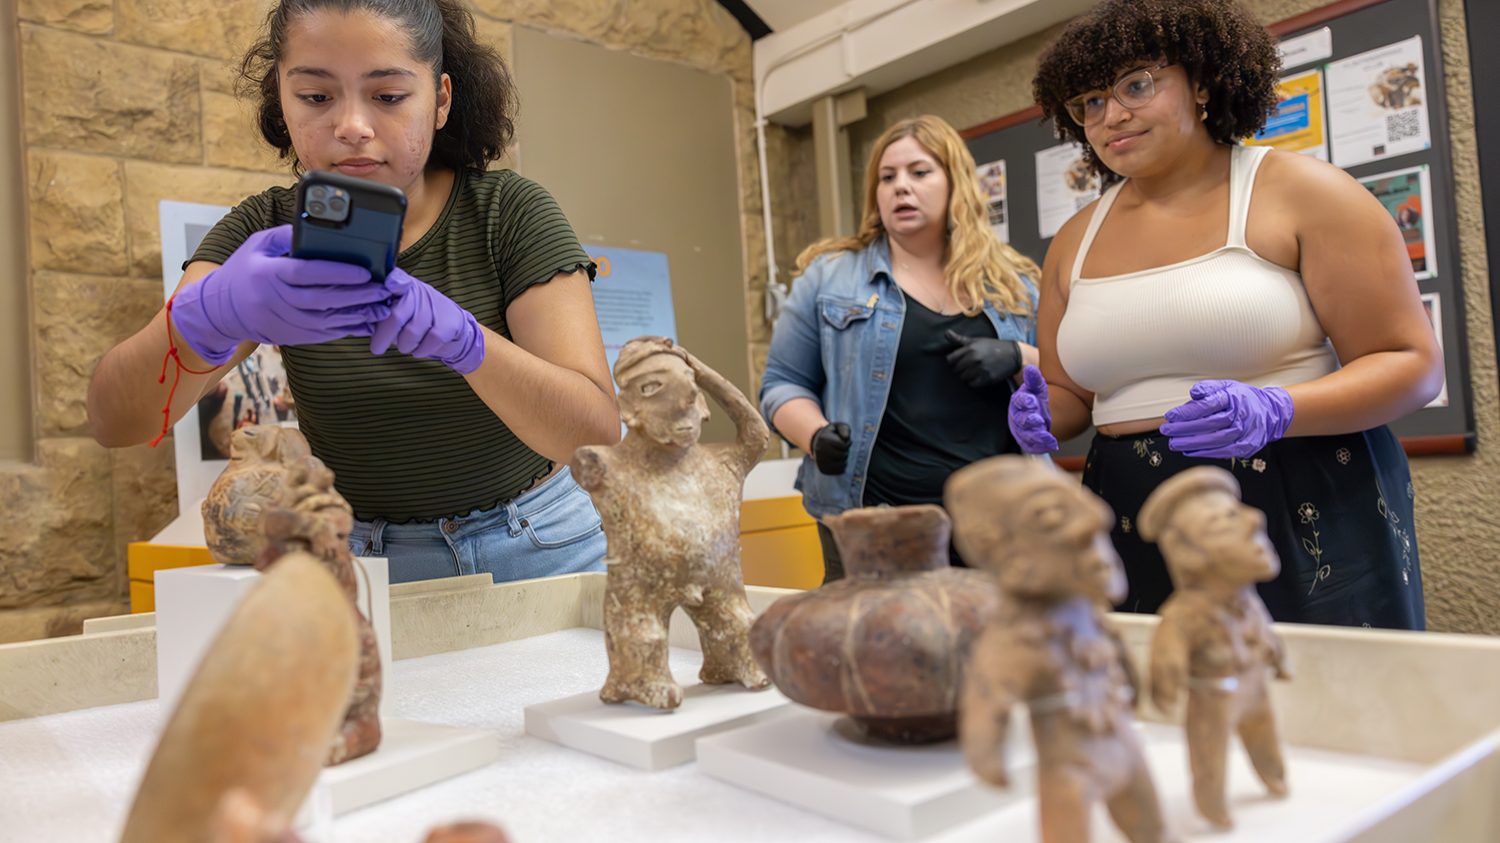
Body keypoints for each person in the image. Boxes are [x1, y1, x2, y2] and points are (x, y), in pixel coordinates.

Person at [86, 0, 619, 585]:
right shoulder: (259, 231)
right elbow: (116, 424)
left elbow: (596, 437)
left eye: (388, 96)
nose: (352, 126)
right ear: (283, 101)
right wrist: (203, 318)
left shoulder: (509, 213)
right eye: (316, 97)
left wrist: (469, 344)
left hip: (538, 547)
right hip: (360, 560)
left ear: (440, 100)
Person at [1011, 0, 1443, 628]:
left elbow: (1410, 363)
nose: (1112, 116)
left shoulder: (1304, 192)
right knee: (1158, 706)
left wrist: (1279, 409)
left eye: (1136, 85)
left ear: (1205, 83)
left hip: (1297, 494)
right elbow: (1071, 393)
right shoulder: (1074, 240)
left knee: (1321, 705)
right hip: (1131, 506)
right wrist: (1039, 413)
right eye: (1090, 103)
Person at [759, 115, 1042, 582]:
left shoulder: (1013, 283)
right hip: (872, 524)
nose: (900, 188)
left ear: (956, 183)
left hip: (996, 524)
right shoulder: (830, 277)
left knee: (990, 654)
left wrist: (1017, 356)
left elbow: (1068, 381)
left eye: (919, 172)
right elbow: (781, 384)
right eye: (887, 178)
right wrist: (814, 435)